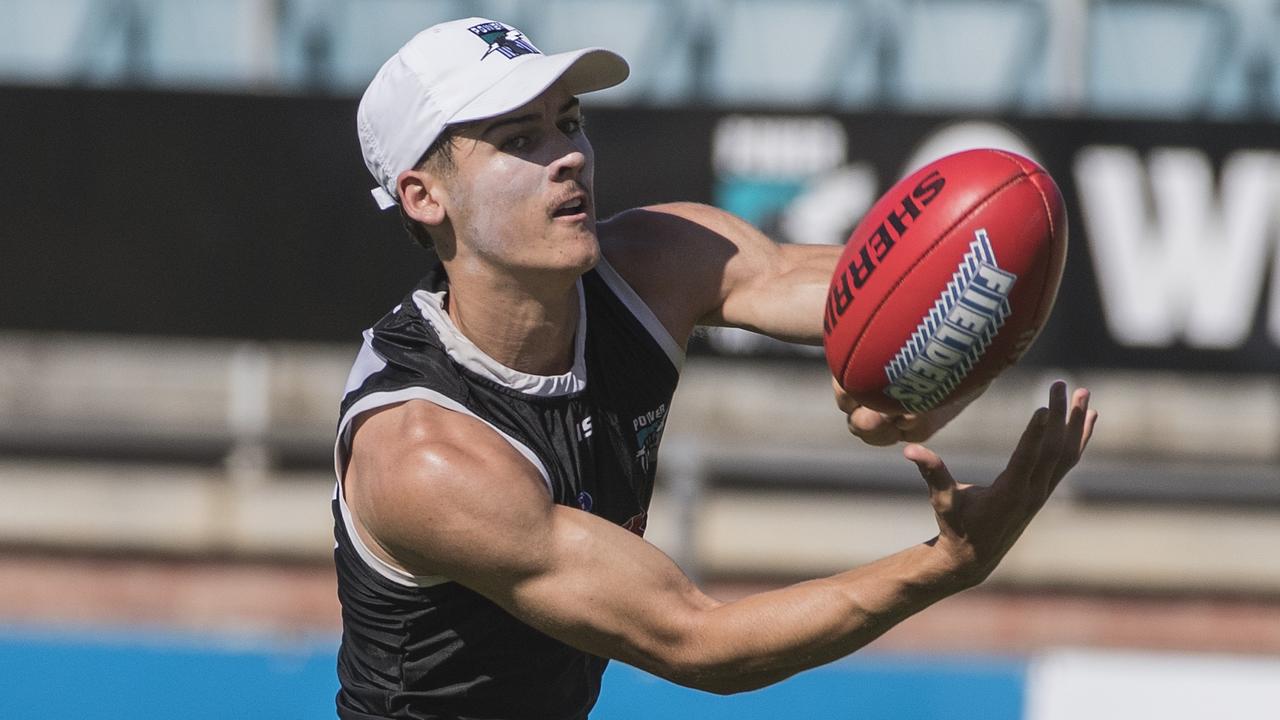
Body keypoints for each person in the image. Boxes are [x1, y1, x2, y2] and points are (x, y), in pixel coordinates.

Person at [334, 16, 1098, 720]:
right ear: (423, 195)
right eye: (519, 137)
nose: (567, 154)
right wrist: (948, 567)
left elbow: (888, 291)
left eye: (570, 123)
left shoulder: (658, 260)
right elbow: (697, 641)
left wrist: (927, 379)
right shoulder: (424, 456)